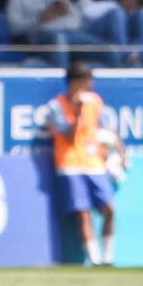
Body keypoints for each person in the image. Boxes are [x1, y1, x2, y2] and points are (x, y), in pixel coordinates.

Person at [43, 63, 117, 266]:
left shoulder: (94, 101)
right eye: (86, 80)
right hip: (70, 164)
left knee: (109, 209)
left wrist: (118, 150)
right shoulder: (56, 106)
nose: (90, 85)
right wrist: (76, 112)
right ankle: (94, 259)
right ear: (75, 82)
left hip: (94, 164)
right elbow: (66, 134)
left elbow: (107, 129)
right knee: (83, 213)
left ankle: (108, 257)